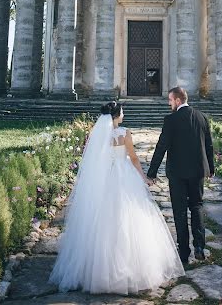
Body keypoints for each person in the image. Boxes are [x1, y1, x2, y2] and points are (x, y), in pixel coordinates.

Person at [48, 101, 184, 294]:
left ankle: (96, 271)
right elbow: (134, 158)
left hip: (103, 179)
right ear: (117, 115)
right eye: (122, 112)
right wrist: (144, 178)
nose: (124, 114)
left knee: (101, 221)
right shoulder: (124, 133)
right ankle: (128, 270)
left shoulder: (97, 134)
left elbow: (94, 159)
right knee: (127, 219)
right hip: (123, 176)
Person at [147, 86, 215, 265]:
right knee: (197, 206)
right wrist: (211, 169)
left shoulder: (171, 120)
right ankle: (200, 246)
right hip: (198, 171)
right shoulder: (202, 117)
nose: (169, 104)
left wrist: (152, 173)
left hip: (177, 173)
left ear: (177, 100)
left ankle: (184, 252)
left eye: (170, 100)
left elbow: (161, 147)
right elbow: (209, 145)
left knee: (180, 211)